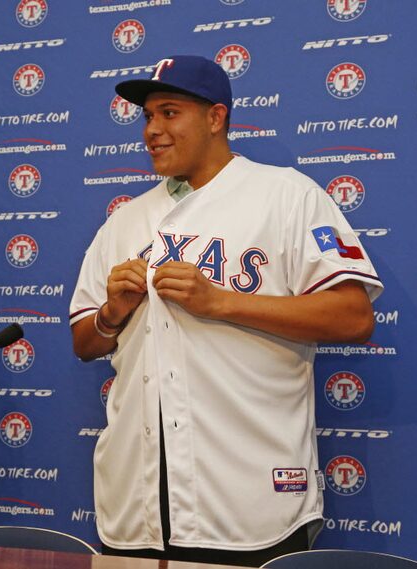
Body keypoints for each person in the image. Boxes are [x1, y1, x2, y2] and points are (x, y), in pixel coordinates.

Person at [69, 55, 382, 567]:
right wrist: (112, 312)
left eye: (170, 113)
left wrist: (221, 302)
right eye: (147, 116)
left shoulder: (287, 195)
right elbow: (85, 341)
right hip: (138, 499)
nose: (152, 130)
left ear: (216, 118)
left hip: (251, 494)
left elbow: (353, 316)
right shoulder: (125, 221)